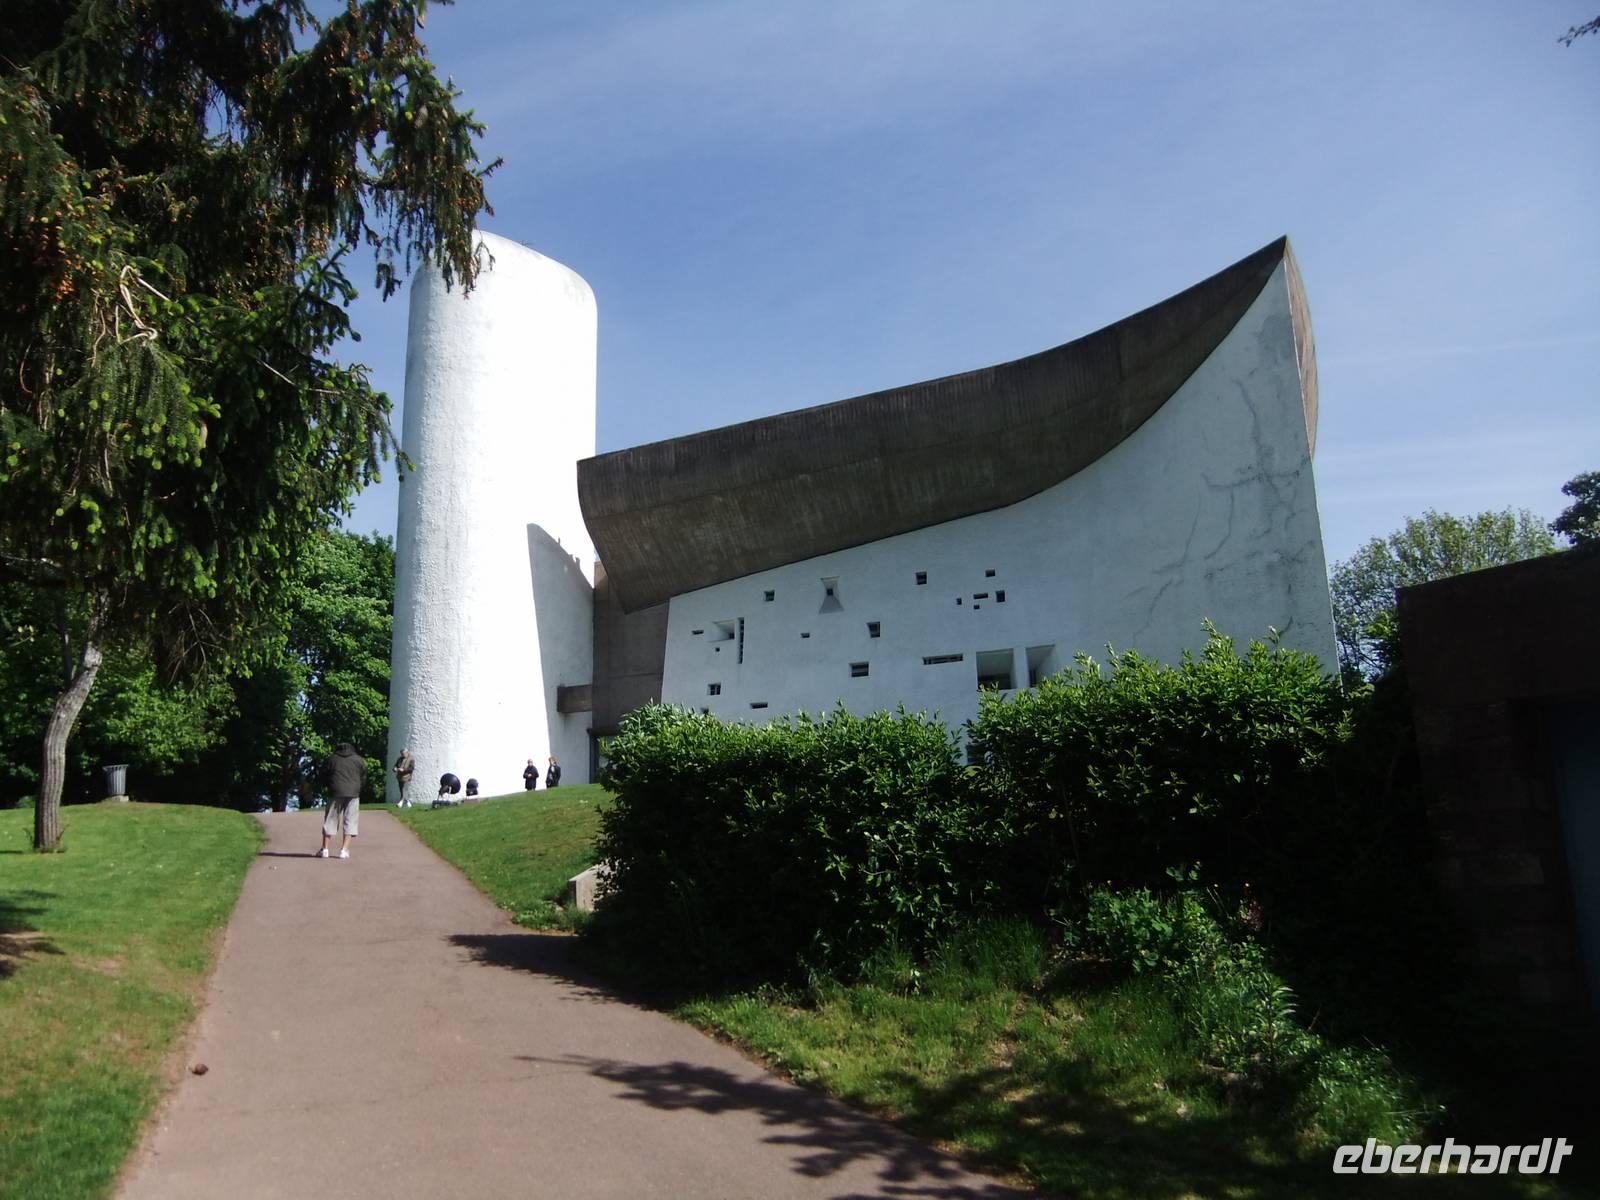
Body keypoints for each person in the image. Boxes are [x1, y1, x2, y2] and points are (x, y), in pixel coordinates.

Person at [318, 743, 366, 859]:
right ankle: (344, 850)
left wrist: (328, 786)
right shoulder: (359, 760)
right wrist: (359, 788)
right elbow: (363, 777)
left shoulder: (332, 759)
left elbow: (323, 775)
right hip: (353, 793)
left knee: (330, 819)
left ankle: (325, 849)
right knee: (350, 821)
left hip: (335, 792)